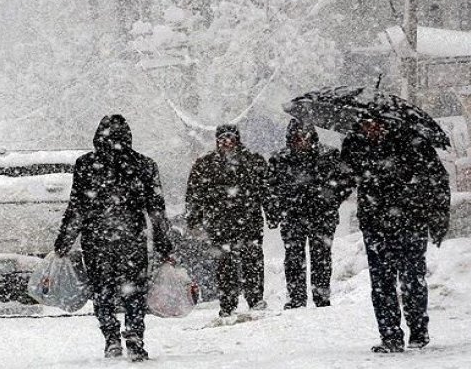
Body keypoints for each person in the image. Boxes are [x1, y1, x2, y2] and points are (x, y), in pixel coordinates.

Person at [55, 114, 172, 362]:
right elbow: (156, 210)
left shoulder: (86, 165)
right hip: (132, 239)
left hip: (97, 240)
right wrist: (164, 244)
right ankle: (135, 337)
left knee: (102, 290)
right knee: (134, 291)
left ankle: (111, 338)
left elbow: (76, 208)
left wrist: (64, 241)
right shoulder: (144, 165)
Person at [341, 118, 449, 353]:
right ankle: (390, 336)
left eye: (375, 124)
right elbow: (343, 180)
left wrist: (439, 217)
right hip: (375, 224)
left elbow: (437, 179)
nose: (371, 129)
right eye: (365, 125)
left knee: (412, 279)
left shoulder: (411, 141)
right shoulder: (354, 144)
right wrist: (327, 197)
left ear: (385, 123)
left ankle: (418, 331)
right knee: (381, 283)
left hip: (411, 221)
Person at [186, 124, 269, 319]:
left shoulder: (253, 161)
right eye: (223, 138)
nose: (227, 142)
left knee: (253, 260)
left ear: (238, 139)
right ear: (217, 140)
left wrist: (272, 213)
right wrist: (193, 219)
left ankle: (255, 298)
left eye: (231, 138)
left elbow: (267, 190)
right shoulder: (205, 164)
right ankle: (228, 303)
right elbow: (194, 194)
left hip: (249, 220)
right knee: (225, 264)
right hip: (220, 222)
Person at [266, 119, 350, 309]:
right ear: (290, 138)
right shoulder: (279, 160)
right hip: (292, 216)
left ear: (312, 136)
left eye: (304, 135)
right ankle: (296, 298)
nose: (301, 140)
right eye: (297, 136)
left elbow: (344, 182)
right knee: (294, 258)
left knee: (321, 258)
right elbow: (270, 189)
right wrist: (274, 212)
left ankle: (321, 297)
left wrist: (332, 200)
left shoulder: (329, 156)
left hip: (322, 216)